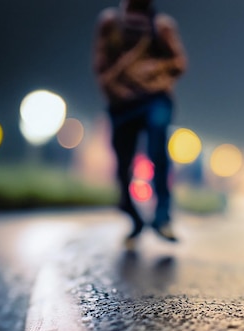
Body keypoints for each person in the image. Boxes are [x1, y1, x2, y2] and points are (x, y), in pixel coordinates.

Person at [93, 0, 187, 249]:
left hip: (155, 99)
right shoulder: (111, 23)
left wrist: (151, 72)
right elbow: (101, 64)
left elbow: (179, 63)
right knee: (123, 162)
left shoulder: (161, 26)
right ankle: (133, 217)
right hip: (122, 103)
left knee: (158, 148)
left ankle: (162, 217)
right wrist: (118, 90)